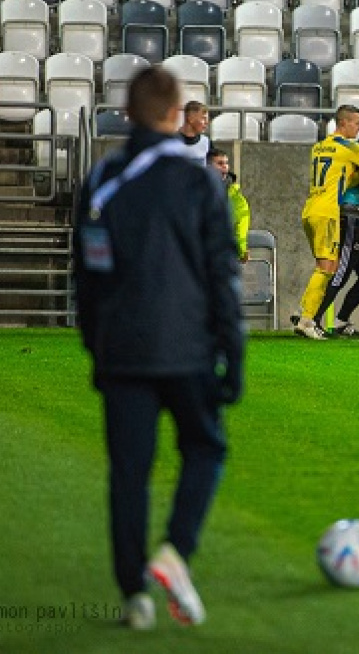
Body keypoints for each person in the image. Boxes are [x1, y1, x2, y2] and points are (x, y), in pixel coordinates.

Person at [73, 67, 244, 630]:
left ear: (127, 112)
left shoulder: (101, 179)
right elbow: (222, 274)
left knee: (129, 470)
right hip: (187, 348)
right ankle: (174, 550)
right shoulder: (198, 183)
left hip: (122, 348)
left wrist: (98, 350)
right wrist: (232, 354)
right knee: (205, 447)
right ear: (176, 116)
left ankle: (134, 597)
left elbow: (87, 279)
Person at [296, 104, 359, 340]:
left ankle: (305, 312)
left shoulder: (319, 147)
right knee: (326, 268)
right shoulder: (347, 147)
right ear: (343, 123)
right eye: (356, 123)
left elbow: (342, 176)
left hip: (310, 209)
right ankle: (307, 319)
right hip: (329, 212)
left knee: (325, 267)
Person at [207, 146, 251, 263]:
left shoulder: (236, 198)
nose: (225, 166)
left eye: (226, 163)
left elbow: (240, 229)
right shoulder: (198, 192)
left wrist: (241, 252)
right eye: (220, 163)